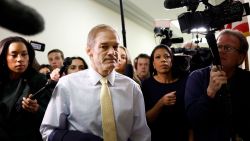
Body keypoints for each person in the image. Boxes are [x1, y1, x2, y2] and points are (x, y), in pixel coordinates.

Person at [40, 24, 151, 141]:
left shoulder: (132, 88)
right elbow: (48, 131)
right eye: (104, 47)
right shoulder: (67, 85)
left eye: (115, 46)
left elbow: (141, 134)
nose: (112, 52)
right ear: (89, 51)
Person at [185, 29, 250, 141]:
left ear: (241, 57)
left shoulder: (248, 80)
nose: (221, 51)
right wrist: (210, 92)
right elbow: (193, 120)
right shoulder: (196, 77)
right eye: (218, 46)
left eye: (228, 48)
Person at [0, 36, 52, 141]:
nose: (20, 59)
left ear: (29, 57)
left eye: (24, 54)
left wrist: (37, 109)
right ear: (4, 57)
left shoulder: (40, 81)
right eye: (14, 55)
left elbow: (52, 116)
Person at [141, 44, 189, 141]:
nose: (163, 60)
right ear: (153, 64)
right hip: (157, 137)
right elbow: (146, 120)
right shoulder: (146, 85)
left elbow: (190, 116)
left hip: (182, 136)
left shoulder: (184, 81)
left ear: (171, 61)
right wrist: (161, 103)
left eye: (167, 56)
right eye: (158, 57)